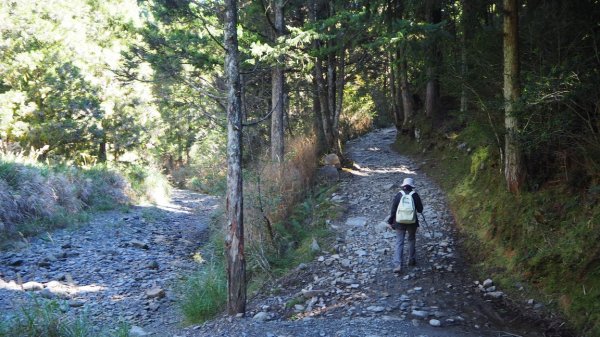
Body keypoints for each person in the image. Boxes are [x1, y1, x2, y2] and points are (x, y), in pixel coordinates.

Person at [387, 177, 424, 273]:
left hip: (399, 222)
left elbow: (393, 210)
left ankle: (398, 265)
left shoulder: (399, 194)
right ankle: (411, 260)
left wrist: (390, 221)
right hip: (412, 222)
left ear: (403, 185)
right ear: (412, 186)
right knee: (411, 239)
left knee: (399, 242)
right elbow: (420, 210)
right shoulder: (415, 195)